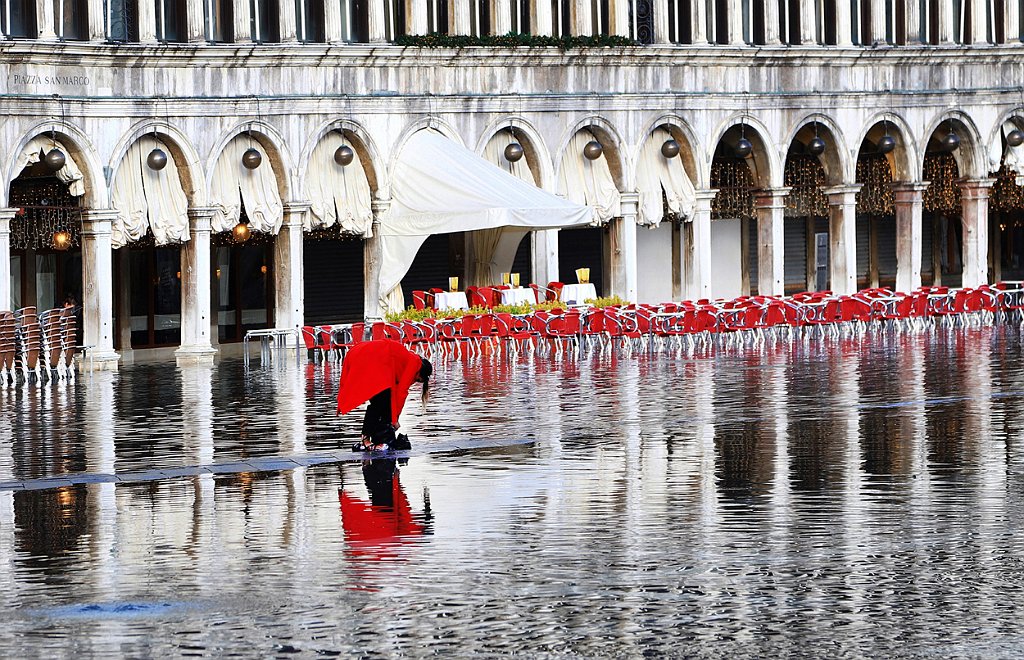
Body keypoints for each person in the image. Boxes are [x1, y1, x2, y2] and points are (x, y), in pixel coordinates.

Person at [336, 340, 432, 452]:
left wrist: (394, 416)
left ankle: (366, 438)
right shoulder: (415, 364)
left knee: (379, 402)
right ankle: (369, 439)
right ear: (420, 374)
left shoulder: (407, 359)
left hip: (361, 352)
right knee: (380, 403)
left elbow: (394, 394)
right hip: (373, 357)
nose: (414, 382)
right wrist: (395, 420)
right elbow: (401, 392)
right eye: (417, 380)